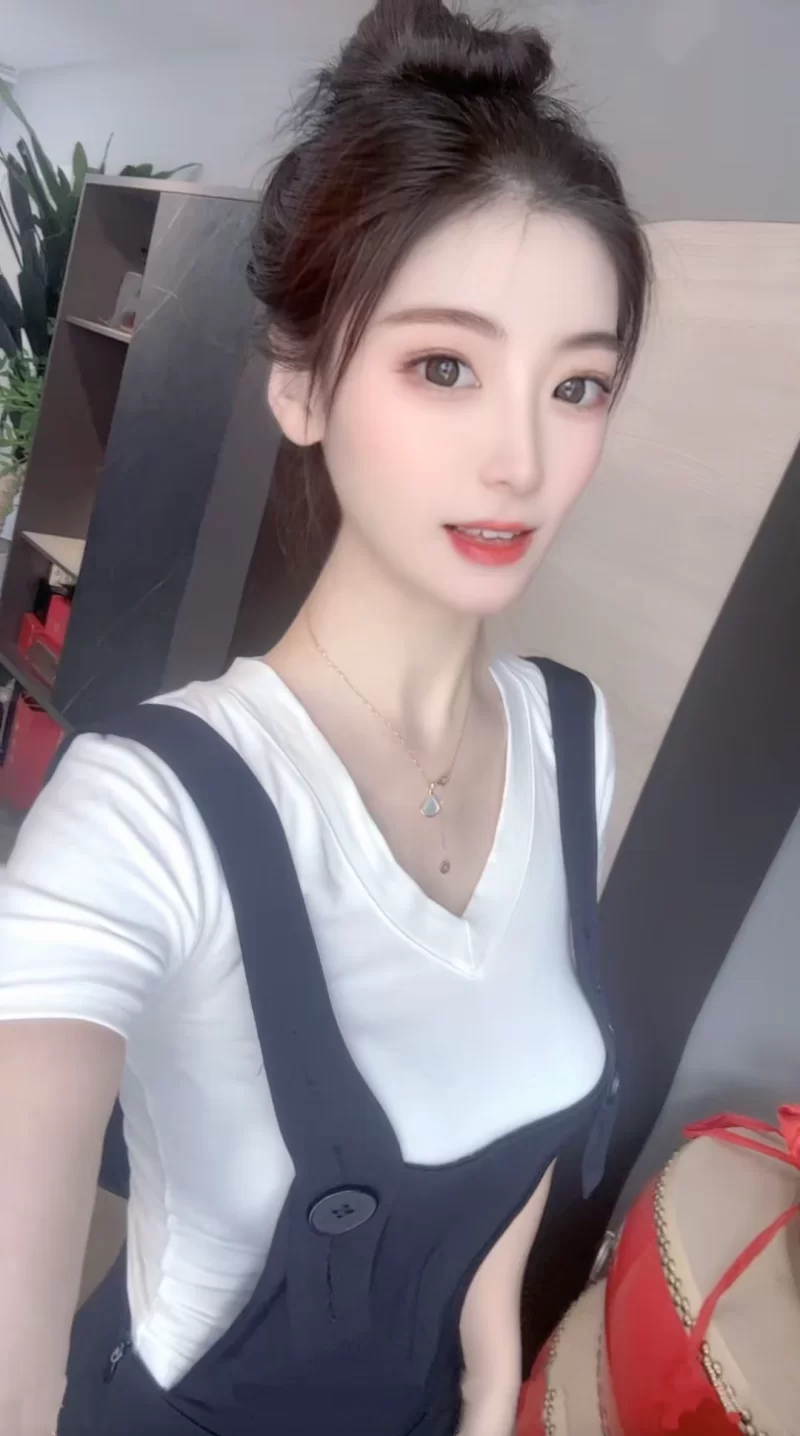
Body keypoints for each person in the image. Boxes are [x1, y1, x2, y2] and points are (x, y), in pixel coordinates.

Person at [0, 2, 652, 1433]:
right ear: (300, 384)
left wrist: (491, 1366)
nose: (521, 458)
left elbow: (517, 1099)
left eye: (579, 384)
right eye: (444, 367)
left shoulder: (575, 742)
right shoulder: (142, 817)